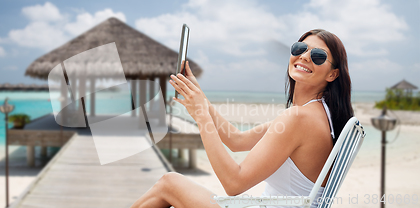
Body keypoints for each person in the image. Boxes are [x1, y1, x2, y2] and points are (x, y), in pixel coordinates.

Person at [130, 29, 353, 208]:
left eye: (318, 56)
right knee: (169, 184)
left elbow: (234, 183)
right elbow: (236, 140)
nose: (304, 56)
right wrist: (201, 100)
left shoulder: (299, 117)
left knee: (169, 183)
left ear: (333, 74)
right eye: (300, 48)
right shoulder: (317, 114)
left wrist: (201, 116)